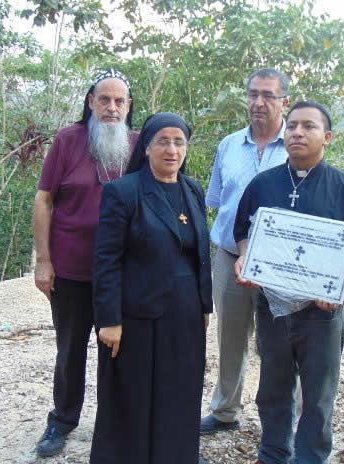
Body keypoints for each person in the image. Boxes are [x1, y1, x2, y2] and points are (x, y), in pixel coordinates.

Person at [233, 101, 344, 464]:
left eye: (308, 126)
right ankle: (273, 453)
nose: (297, 132)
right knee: (273, 388)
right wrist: (246, 259)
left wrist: (336, 281)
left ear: (327, 137)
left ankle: (311, 457)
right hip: (272, 307)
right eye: (292, 125)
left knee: (318, 395)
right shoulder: (263, 184)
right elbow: (244, 232)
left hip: (321, 312)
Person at [90, 113, 213, 464]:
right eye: (163, 141)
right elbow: (107, 260)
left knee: (179, 390)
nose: (172, 150)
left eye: (179, 142)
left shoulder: (193, 189)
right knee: (134, 392)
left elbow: (200, 253)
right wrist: (108, 319)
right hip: (136, 314)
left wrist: (204, 305)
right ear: (146, 147)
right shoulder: (123, 191)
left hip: (185, 313)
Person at [32, 68, 138, 457]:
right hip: (72, 269)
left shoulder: (139, 145)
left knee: (119, 349)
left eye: (119, 101)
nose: (112, 107)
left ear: (128, 106)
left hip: (123, 272)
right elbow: (44, 200)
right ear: (91, 102)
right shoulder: (67, 140)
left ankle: (116, 422)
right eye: (104, 99)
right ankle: (62, 420)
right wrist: (44, 260)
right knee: (70, 349)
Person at [201, 68, 290, 435]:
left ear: (285, 101)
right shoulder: (228, 145)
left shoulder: (297, 146)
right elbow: (217, 201)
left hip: (280, 265)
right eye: (253, 94)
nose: (259, 102)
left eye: (268, 95)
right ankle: (225, 411)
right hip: (228, 258)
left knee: (280, 344)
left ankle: (282, 420)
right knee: (231, 338)